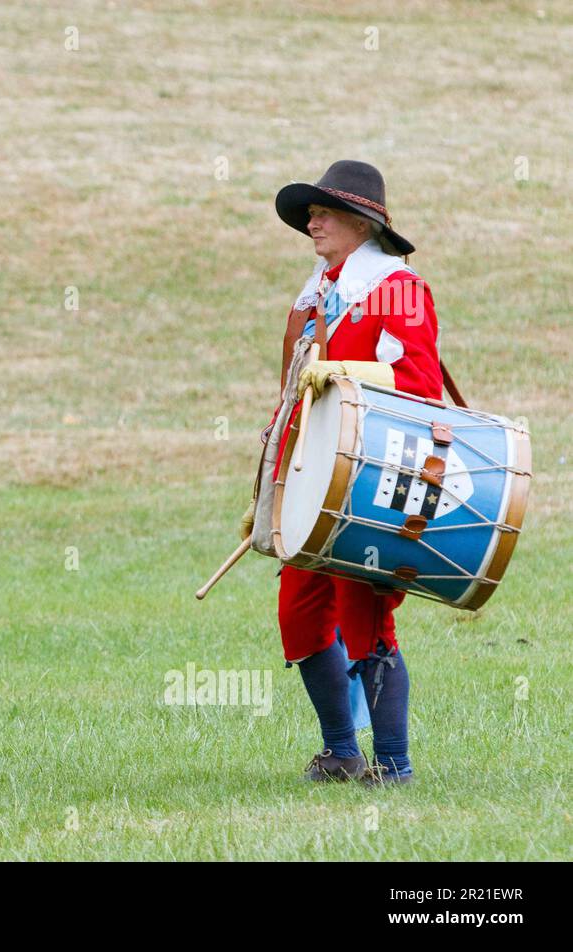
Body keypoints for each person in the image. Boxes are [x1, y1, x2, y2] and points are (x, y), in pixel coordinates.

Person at [242, 160, 442, 785]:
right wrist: (272, 478)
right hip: (310, 481)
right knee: (298, 614)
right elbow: (290, 399)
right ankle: (340, 751)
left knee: (365, 618)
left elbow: (421, 384)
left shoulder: (399, 288)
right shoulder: (313, 297)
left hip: (373, 481)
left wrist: (348, 375)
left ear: (362, 223)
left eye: (324, 212)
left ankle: (394, 765)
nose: (311, 221)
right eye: (310, 213)